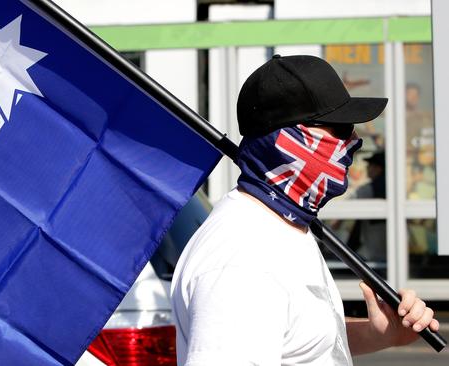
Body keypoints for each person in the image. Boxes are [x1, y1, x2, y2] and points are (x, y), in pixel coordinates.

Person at [170, 55, 440, 365]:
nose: (352, 141)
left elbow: (299, 339)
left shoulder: (285, 223)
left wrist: (379, 334)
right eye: (339, 128)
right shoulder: (242, 262)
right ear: (286, 138)